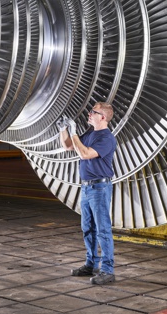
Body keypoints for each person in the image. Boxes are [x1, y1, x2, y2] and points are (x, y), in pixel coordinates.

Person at [58, 102, 117, 285]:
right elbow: (69, 146)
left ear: (103, 117)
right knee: (88, 229)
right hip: (86, 187)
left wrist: (74, 131)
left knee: (103, 230)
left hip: (99, 189)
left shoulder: (106, 138)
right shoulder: (90, 133)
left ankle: (108, 270)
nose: (89, 114)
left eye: (94, 112)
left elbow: (84, 154)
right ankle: (91, 264)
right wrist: (63, 130)